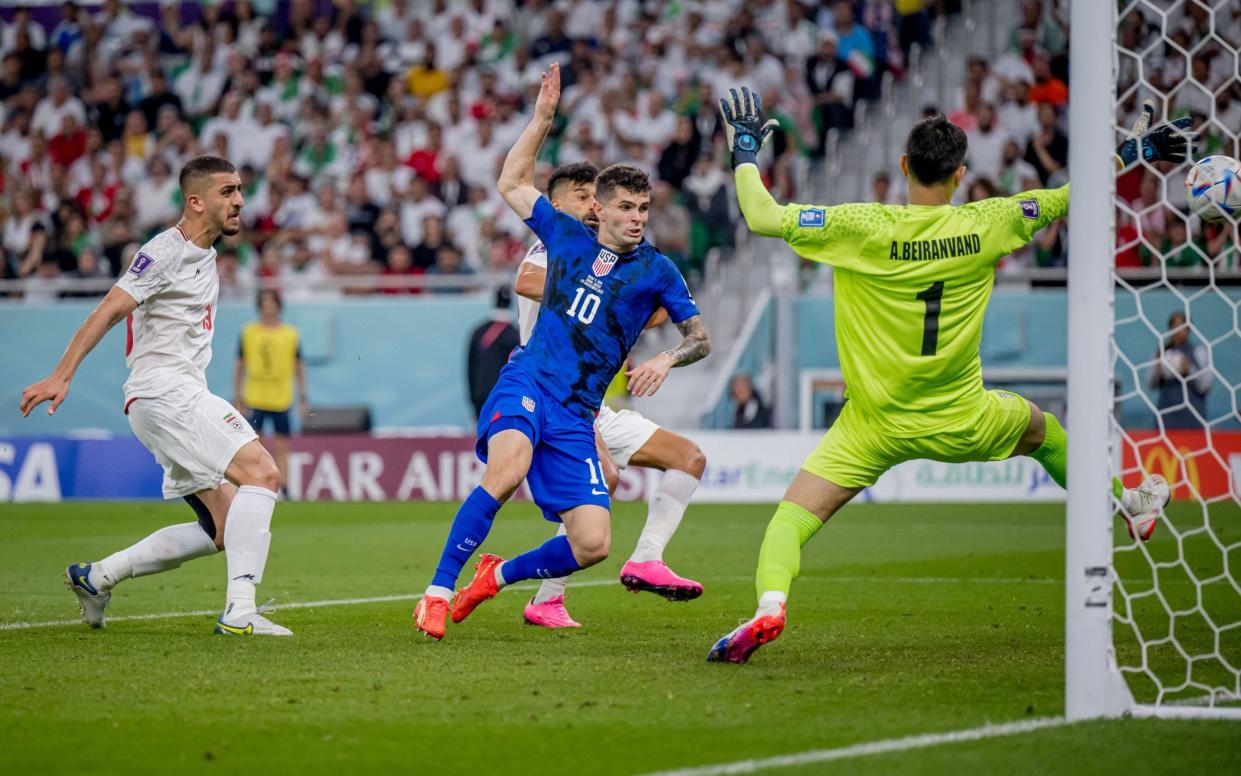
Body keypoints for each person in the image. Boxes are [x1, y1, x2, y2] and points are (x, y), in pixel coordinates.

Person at [705, 89, 1189, 664]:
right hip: (964, 416)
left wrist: (743, 153)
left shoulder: (859, 225)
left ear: (904, 166)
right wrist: (1132, 150)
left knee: (790, 520)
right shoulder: (992, 221)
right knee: (1046, 433)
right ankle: (1130, 503)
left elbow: (761, 215)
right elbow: (1070, 198)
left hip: (872, 425)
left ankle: (769, 606)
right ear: (960, 175)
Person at [412, 64, 710, 641]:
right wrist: (542, 119)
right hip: (529, 382)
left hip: (579, 414)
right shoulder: (563, 237)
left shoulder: (658, 270)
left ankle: (498, 578)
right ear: (598, 208)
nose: (636, 219)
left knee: (593, 544)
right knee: (508, 470)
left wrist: (664, 359)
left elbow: (700, 336)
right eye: (625, 208)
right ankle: (436, 592)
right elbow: (510, 181)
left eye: (643, 210)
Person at [20, 155, 291, 637]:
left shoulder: (205, 253)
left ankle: (98, 576)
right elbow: (109, 308)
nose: (240, 201)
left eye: (240, 190)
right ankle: (240, 614)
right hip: (166, 392)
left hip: (162, 400)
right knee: (263, 474)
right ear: (196, 200)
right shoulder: (164, 251)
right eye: (228, 192)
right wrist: (63, 374)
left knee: (224, 526)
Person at [512, 162, 707, 629]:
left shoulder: (623, 262)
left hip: (593, 402)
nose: (591, 206)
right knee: (604, 477)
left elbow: (662, 314)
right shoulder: (556, 243)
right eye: (582, 198)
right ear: (557, 205)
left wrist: (628, 302)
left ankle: (644, 559)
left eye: (595, 198)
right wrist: (603, 295)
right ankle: (499, 584)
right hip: (546, 391)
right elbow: (525, 281)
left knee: (689, 458)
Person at [234, 289, 308, 494]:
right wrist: (238, 396)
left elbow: (299, 365)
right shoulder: (249, 331)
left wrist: (303, 396)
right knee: (254, 445)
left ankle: (285, 487)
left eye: (272, 303)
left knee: (282, 444)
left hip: (281, 396)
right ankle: (254, 485)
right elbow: (239, 364)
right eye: (265, 303)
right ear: (260, 306)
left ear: (278, 306)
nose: (268, 307)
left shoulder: (291, 333)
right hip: (255, 395)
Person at [1148, 311, 1212, 429]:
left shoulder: (1199, 352)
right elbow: (1149, 384)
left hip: (1193, 417)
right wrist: (1158, 374)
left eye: (1182, 327)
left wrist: (1190, 371)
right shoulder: (1161, 353)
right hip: (1166, 416)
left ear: (1189, 329)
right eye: (1175, 326)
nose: (1178, 331)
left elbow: (1206, 386)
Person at [466, 285, 520, 421]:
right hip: (505, 398)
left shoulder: (478, 332)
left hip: (481, 396)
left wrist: (473, 398)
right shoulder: (516, 335)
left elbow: (470, 368)